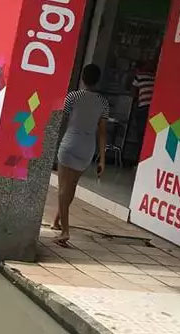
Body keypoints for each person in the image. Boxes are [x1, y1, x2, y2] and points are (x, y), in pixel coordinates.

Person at [52, 64, 109, 246]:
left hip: (70, 144)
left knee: (63, 188)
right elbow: (102, 133)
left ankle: (65, 231)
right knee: (72, 187)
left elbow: (63, 121)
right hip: (87, 147)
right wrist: (102, 158)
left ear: (83, 78)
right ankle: (57, 220)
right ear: (98, 80)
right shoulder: (103, 103)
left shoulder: (73, 97)